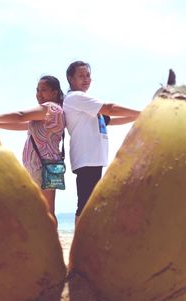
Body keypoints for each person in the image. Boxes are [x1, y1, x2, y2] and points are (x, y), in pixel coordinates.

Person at [0, 75, 65, 227]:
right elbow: (22, 125)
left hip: (43, 167)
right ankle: (47, 245)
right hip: (50, 166)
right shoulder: (49, 113)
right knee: (45, 211)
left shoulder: (51, 108)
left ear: (54, 92)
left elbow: (20, 116)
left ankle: (48, 246)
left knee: (45, 211)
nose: (39, 94)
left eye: (44, 90)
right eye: (37, 90)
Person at [63, 61, 140, 225]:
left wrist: (141, 117)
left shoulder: (85, 105)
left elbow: (110, 120)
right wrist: (146, 111)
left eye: (88, 75)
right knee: (85, 205)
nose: (86, 79)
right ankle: (80, 246)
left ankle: (83, 244)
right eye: (81, 76)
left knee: (89, 204)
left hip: (93, 159)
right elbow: (110, 108)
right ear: (70, 78)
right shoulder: (77, 97)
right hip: (86, 158)